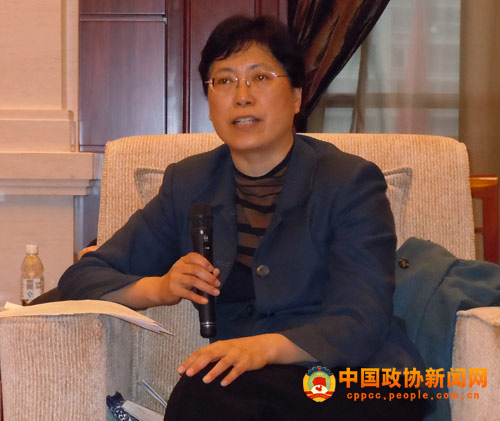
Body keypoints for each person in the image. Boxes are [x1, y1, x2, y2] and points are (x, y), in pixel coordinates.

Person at [58, 15, 429, 420]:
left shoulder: (349, 181)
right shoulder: (189, 184)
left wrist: (262, 348)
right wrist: (160, 287)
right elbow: (83, 278)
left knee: (211, 392)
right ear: (210, 102)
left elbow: (362, 318)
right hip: (249, 388)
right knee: (207, 389)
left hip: (359, 379)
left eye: (261, 77)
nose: (242, 96)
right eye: (224, 80)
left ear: (297, 97)